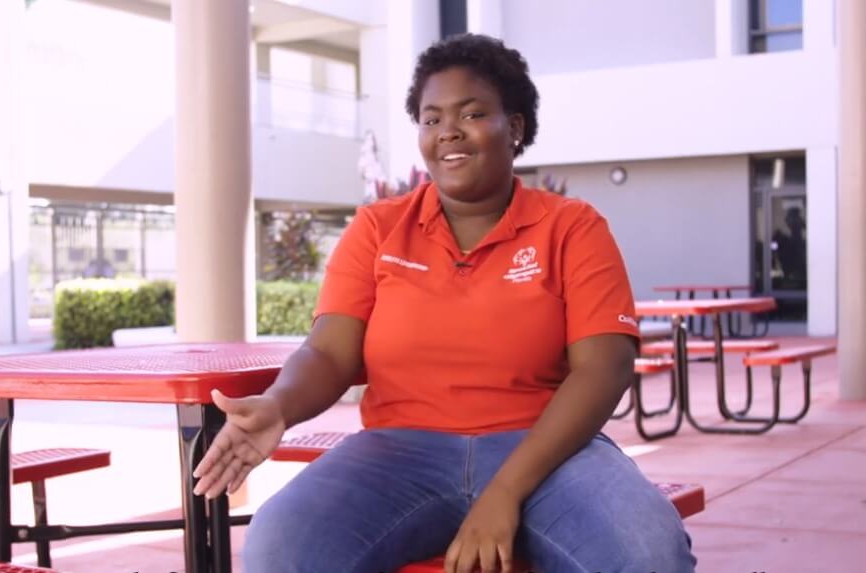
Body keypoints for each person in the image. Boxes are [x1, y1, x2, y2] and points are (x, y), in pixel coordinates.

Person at [192, 34, 695, 573]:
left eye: (473, 113)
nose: (448, 132)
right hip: (398, 455)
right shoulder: (377, 229)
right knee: (280, 545)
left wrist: (504, 491)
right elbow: (329, 353)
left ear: (516, 127)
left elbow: (604, 367)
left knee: (649, 554)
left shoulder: (572, 228)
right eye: (431, 120)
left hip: (548, 452)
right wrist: (278, 405)